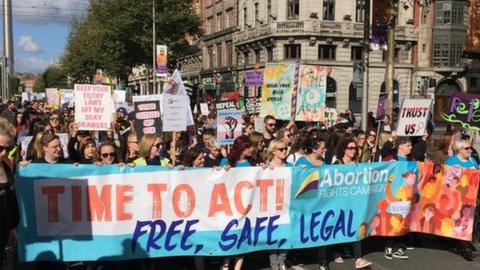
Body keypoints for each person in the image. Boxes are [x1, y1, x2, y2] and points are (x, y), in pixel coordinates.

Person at [333, 138, 373, 269]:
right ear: (344, 149)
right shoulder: (337, 164)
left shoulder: (358, 164)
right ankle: (336, 251)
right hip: (340, 202)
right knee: (340, 226)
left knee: (356, 226)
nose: (353, 150)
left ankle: (358, 258)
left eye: (355, 148)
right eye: (350, 148)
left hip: (355, 202)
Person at [264, 140, 291, 270]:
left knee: (286, 233)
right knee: (273, 235)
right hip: (271, 206)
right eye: (281, 149)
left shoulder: (289, 166)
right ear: (273, 151)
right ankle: (274, 263)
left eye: (285, 148)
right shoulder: (266, 167)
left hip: (287, 206)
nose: (284, 151)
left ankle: (282, 260)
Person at [0, 118, 18, 270]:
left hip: (4, 228)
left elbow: (11, 196)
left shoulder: (6, 164)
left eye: (7, 148)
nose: (4, 153)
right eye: (0, 148)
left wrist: (12, 228)